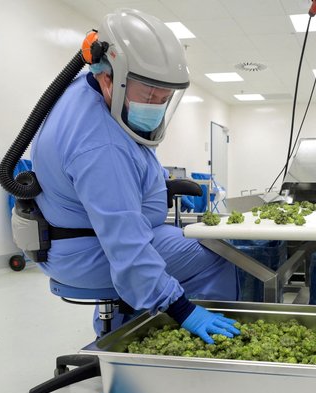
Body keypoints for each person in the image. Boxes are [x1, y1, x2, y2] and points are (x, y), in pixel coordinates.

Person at [31, 9, 239, 343]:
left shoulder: (84, 93)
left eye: (164, 98)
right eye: (148, 95)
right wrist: (182, 308)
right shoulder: (101, 145)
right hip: (89, 251)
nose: (156, 104)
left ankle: (127, 332)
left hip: (75, 242)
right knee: (218, 256)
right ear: (110, 77)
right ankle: (189, 348)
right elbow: (126, 246)